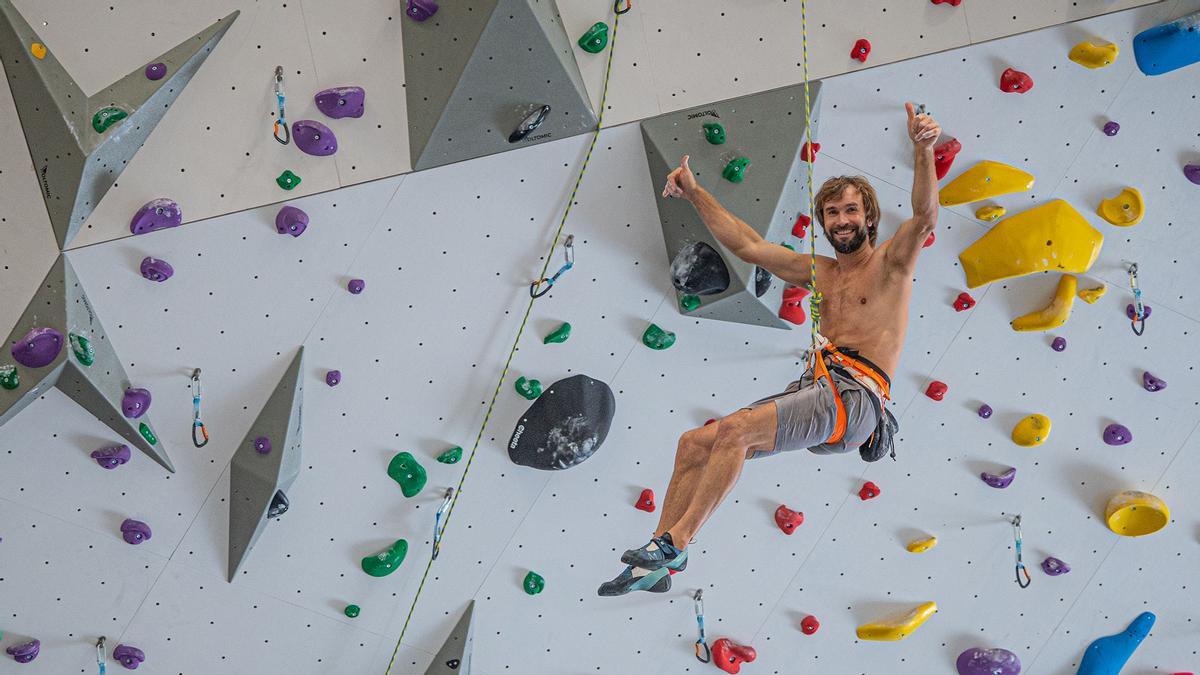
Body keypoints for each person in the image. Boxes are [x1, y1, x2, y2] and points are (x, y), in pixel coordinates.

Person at [598, 103, 942, 596]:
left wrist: (924, 150)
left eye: (850, 210)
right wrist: (694, 193)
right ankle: (655, 562)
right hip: (820, 388)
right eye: (831, 212)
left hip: (855, 398)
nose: (841, 220)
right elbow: (749, 246)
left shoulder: (891, 264)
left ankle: (676, 544)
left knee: (735, 432)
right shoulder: (822, 271)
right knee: (694, 443)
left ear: (868, 217)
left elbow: (926, 215)